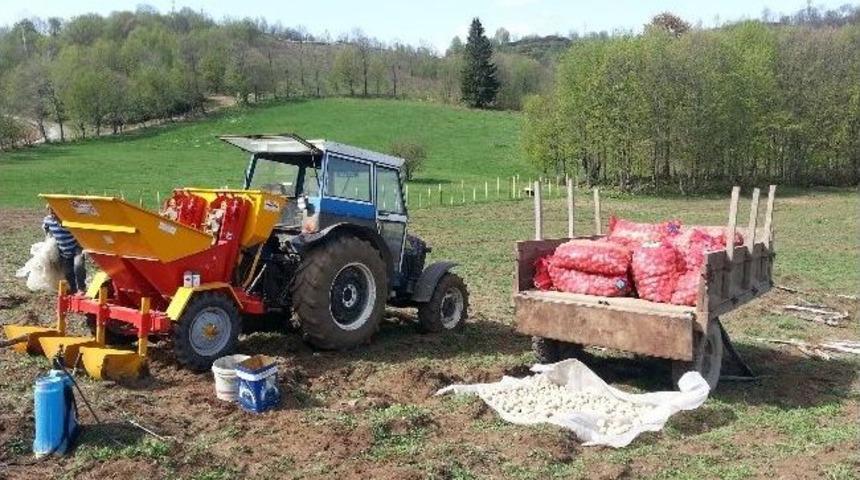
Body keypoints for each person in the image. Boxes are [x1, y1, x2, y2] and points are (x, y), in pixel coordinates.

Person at [43, 207, 86, 292]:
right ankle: (73, 291)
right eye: (50, 211)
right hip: (63, 251)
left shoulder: (67, 220)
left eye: (54, 210)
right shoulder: (48, 220)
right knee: (68, 273)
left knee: (78, 266)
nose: (53, 213)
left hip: (76, 248)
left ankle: (82, 288)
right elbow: (46, 229)